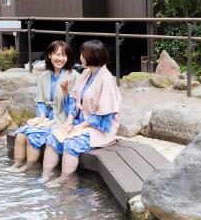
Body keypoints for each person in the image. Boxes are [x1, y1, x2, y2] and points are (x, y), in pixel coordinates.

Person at [43, 39, 121, 185]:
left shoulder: (107, 80)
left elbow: (104, 115)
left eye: (82, 54)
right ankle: (45, 174)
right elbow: (74, 99)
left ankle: (64, 178)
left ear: (91, 57)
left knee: (72, 142)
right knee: (54, 138)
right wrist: (69, 121)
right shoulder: (86, 73)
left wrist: (79, 127)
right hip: (81, 122)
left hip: (100, 128)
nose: (80, 57)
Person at [8, 40, 75, 172]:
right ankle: (17, 164)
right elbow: (40, 102)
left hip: (62, 118)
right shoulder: (43, 77)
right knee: (21, 135)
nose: (61, 58)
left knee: (33, 136)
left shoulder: (73, 76)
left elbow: (74, 106)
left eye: (64, 55)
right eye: (57, 54)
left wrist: (65, 90)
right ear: (50, 55)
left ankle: (29, 166)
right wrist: (41, 118)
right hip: (46, 119)